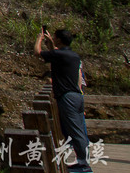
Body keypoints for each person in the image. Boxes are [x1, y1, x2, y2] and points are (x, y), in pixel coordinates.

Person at [36, 28, 92, 172]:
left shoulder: (59, 54)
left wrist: (39, 39)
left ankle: (84, 166)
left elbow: (38, 52)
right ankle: (82, 161)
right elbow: (54, 54)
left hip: (67, 98)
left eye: (55, 37)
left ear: (59, 40)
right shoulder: (73, 55)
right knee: (79, 130)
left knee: (75, 132)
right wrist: (49, 43)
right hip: (77, 96)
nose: (53, 38)